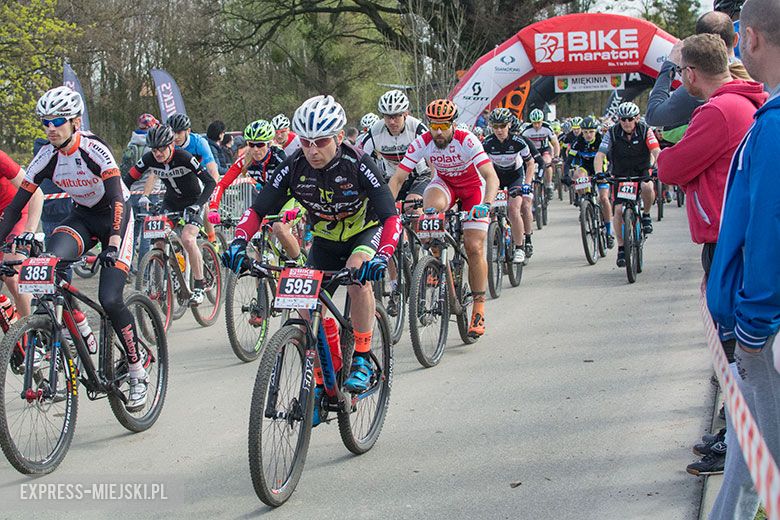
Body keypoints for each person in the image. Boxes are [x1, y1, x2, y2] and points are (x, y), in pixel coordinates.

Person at [222, 95, 401, 402]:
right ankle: (324, 381)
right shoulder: (293, 165)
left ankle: (361, 354)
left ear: (340, 137)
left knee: (358, 278)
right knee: (305, 307)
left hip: (364, 232)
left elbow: (390, 217)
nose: (313, 150)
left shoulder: (358, 163)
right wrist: (239, 242)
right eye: (305, 142)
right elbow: (258, 210)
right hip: (324, 239)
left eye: (321, 141)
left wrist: (383, 255)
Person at [658, 32, 767, 479]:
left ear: (689, 73)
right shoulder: (742, 101)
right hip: (735, 233)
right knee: (733, 345)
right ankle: (735, 432)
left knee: (730, 345)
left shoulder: (719, 110)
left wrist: (673, 160)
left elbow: (670, 167)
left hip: (726, 239)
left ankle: (736, 439)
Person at [0, 86, 148, 410]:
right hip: (82, 216)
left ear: (75, 121)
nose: (51, 128)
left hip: (116, 217)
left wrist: (111, 245)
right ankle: (79, 323)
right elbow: (15, 207)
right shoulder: (47, 157)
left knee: (110, 297)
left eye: (57, 120)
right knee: (49, 266)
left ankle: (137, 369)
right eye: (45, 122)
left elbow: (118, 198)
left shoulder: (95, 149)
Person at [707, 0, 780, 516]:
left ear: (749, 39)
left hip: (765, 328)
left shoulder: (774, 126)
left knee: (768, 460)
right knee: (746, 452)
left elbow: (769, 229)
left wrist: (753, 324)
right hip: (759, 322)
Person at [390, 99, 499, 338]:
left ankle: (478, 307)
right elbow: (398, 179)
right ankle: (437, 260)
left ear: (453, 123)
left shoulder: (467, 140)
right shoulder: (423, 141)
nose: (438, 132)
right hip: (445, 185)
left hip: (473, 189)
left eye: (443, 126)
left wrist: (487, 205)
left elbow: (491, 176)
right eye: (434, 126)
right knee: (429, 211)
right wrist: (387, 208)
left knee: (473, 246)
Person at [125, 125, 217, 305]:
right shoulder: (149, 159)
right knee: (158, 239)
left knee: (188, 239)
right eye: (154, 149)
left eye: (161, 149)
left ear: (171, 145)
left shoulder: (184, 157)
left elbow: (210, 182)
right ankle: (168, 275)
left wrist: (198, 206)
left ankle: (199, 285)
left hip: (194, 200)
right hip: (170, 201)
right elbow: (127, 180)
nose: (157, 154)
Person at [207, 119, 302, 264]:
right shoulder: (245, 161)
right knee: (259, 243)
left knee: (279, 229)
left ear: (269, 143)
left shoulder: (279, 157)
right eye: (252, 144)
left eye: (260, 145)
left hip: (290, 198)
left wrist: (296, 208)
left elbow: (297, 184)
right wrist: (213, 208)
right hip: (268, 198)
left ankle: (301, 264)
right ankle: (262, 282)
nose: (256, 149)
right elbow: (222, 184)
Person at [646, 10, 751, 132]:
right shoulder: (754, 73)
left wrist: (670, 65)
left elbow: (653, 115)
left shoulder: (703, 83)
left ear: (699, 44)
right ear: (736, 39)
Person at [594, 102, 660, 268]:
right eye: (623, 119)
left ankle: (645, 215)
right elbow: (600, 154)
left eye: (630, 119)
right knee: (617, 211)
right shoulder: (612, 133)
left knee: (647, 187)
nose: (626, 122)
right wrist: (599, 173)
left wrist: (661, 165)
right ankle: (622, 247)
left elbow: (656, 151)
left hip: (641, 170)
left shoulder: (645, 130)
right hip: (621, 174)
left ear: (636, 118)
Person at [481, 108, 537, 263]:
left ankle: (520, 247)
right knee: (490, 210)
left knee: (513, 209)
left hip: (515, 177)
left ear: (509, 125)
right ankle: (494, 243)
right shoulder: (487, 143)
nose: (499, 130)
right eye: (495, 126)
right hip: (496, 177)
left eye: (502, 126)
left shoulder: (518, 141)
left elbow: (530, 163)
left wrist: (527, 184)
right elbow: (480, 167)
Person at [361, 89, 430, 201]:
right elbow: (362, 161)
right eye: (388, 117)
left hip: (419, 176)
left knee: (412, 204)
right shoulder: (374, 133)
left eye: (396, 116)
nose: (392, 122)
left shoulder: (417, 129)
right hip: (392, 178)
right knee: (385, 208)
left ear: (405, 114)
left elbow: (433, 158)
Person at [0, 149, 43, 317]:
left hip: (16, 214)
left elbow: (36, 193)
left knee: (12, 275)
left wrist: (29, 231)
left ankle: (31, 333)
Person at [121, 113, 161, 273]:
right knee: (147, 234)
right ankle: (144, 272)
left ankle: (127, 267)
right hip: (149, 192)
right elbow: (155, 172)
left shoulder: (132, 143)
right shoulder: (154, 146)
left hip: (131, 191)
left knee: (131, 233)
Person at [569, 116, 614, 249]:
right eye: (585, 132)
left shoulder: (601, 140)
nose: (588, 135)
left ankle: (609, 231)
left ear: (596, 131)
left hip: (601, 169)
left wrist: (608, 173)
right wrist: (566, 175)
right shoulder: (578, 142)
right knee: (578, 174)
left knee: (604, 198)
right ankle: (586, 200)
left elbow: (611, 159)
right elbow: (569, 160)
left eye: (591, 132)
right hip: (586, 169)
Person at [520, 109, 560, 200]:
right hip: (532, 151)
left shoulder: (547, 127)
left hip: (544, 149)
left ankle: (549, 185)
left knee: (547, 163)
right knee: (530, 165)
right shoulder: (527, 130)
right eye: (534, 123)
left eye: (538, 122)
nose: (537, 125)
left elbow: (555, 143)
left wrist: (556, 155)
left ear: (542, 121)